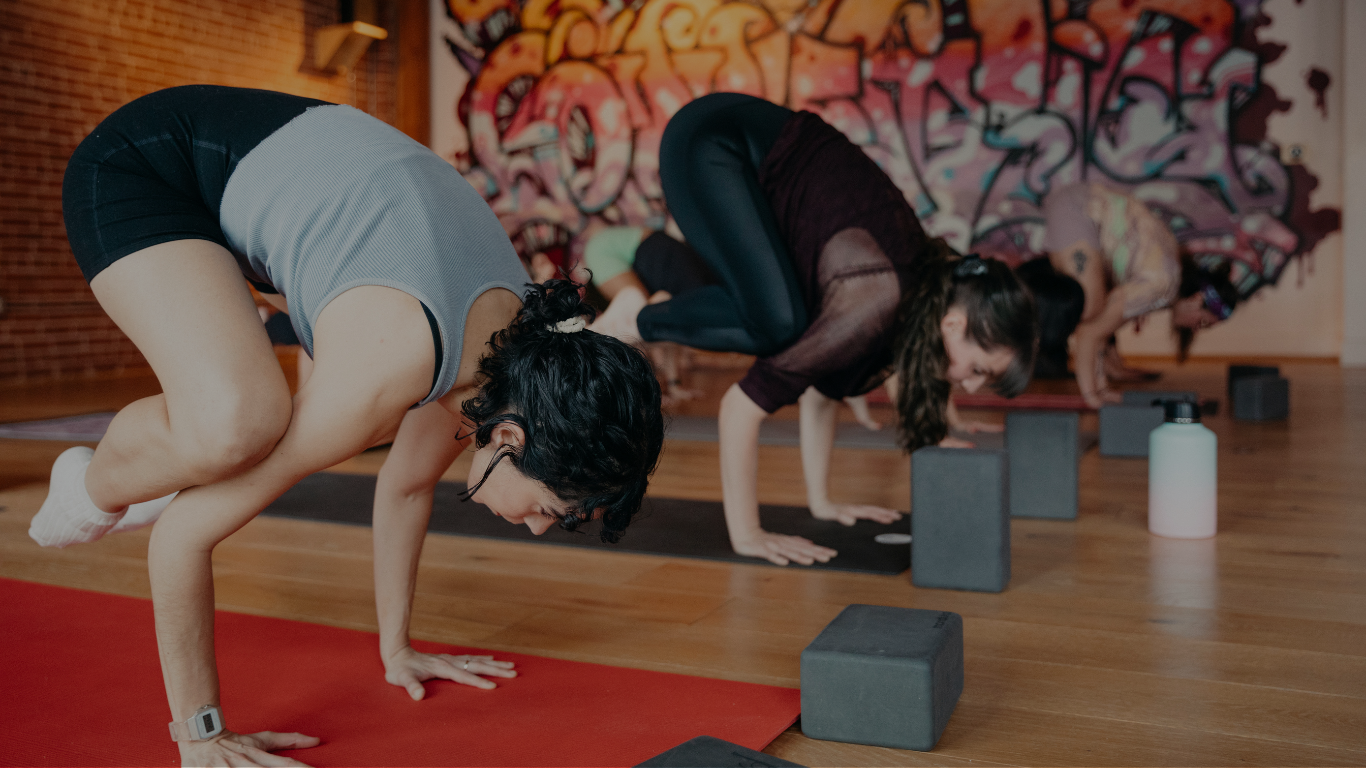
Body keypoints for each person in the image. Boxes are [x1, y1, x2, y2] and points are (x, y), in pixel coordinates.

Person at [29, 85, 663, 767]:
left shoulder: (506, 364)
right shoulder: (387, 377)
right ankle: (92, 486)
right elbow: (181, 538)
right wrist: (202, 734)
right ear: (510, 440)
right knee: (234, 427)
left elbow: (408, 488)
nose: (540, 527)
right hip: (149, 164)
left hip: (273, 188)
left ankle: (171, 458)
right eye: (549, 508)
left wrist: (398, 650)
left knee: (251, 429)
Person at [590, 92, 1037, 567]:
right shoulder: (881, 296)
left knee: (790, 327)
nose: (967, 384)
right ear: (954, 323)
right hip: (711, 141)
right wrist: (749, 534)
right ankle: (634, 319)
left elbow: (824, 385)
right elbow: (739, 408)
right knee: (778, 324)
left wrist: (822, 502)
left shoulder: (910, 298)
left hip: (745, 153)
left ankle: (647, 313)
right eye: (978, 370)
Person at [1030, 183, 1240, 406]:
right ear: (1197, 300)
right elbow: (1090, 331)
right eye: (1203, 322)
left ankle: (1096, 386)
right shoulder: (1161, 285)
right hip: (1078, 208)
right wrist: (1093, 398)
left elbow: (1102, 331)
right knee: (1091, 309)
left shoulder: (1168, 277)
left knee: (1097, 314)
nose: (1197, 328)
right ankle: (1079, 383)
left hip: (1082, 207)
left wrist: (1102, 388)